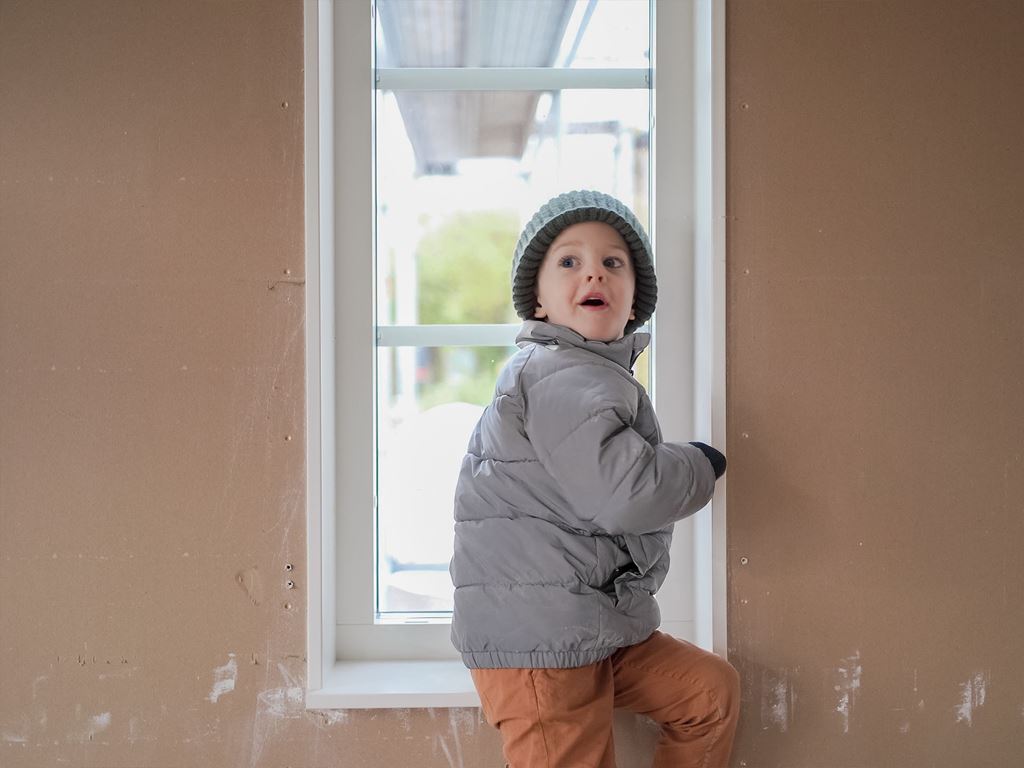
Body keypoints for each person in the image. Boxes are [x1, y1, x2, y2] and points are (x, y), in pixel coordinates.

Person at [450, 189, 739, 767]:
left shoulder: (585, 375)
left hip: (589, 626)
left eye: (613, 263)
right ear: (538, 299)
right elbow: (625, 493)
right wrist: (700, 463)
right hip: (540, 644)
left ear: (634, 301)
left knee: (707, 693)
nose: (594, 274)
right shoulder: (558, 374)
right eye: (569, 262)